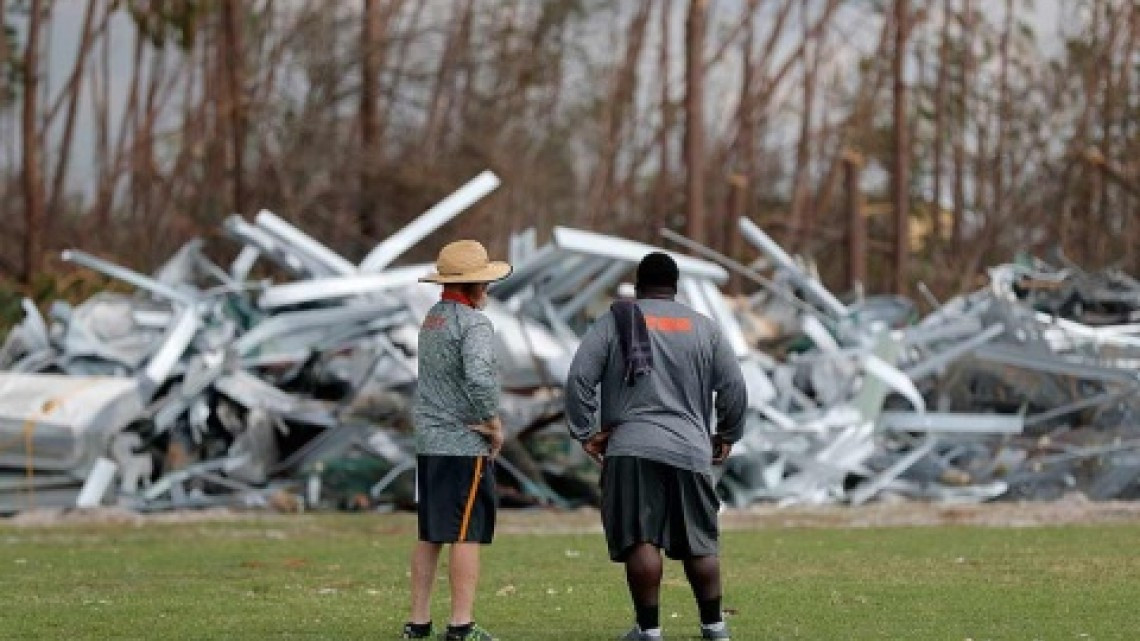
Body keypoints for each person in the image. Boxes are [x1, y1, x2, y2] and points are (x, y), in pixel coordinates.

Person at [565, 252, 748, 641]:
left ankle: (649, 631)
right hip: (691, 449)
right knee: (700, 542)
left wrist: (585, 431)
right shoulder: (706, 328)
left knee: (640, 537)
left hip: (631, 447)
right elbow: (733, 387)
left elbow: (580, 377)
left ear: (637, 285)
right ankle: (714, 627)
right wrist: (726, 434)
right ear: (676, 286)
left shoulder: (615, 322)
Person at [402, 239, 512, 641]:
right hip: (463, 441)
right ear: (476, 286)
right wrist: (493, 422)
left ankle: (418, 622)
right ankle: (461, 625)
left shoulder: (432, 318)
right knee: (467, 533)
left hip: (429, 441)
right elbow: (480, 377)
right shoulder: (474, 323)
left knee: (430, 532)